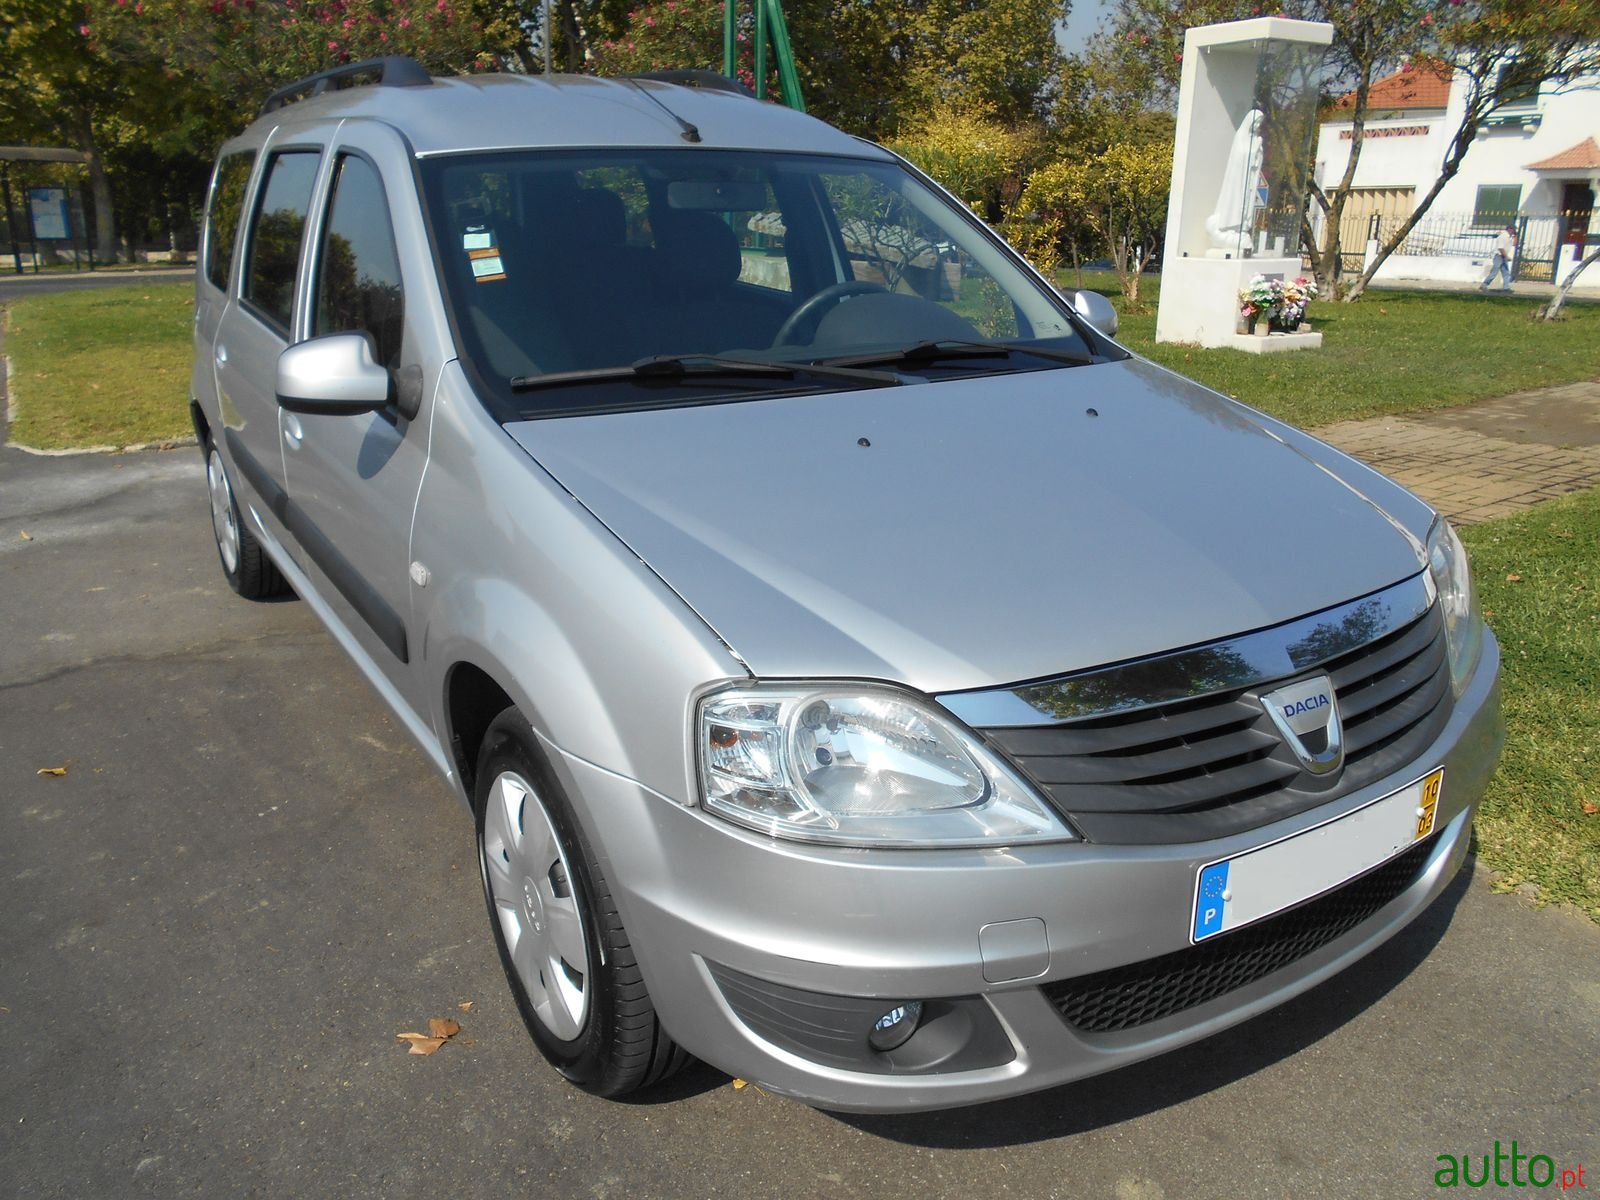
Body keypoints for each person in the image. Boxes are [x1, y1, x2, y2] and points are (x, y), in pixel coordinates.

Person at [1480, 223, 1516, 291]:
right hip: (1498, 256)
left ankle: (1506, 287)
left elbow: (1514, 244)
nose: (1514, 231)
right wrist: (1506, 256)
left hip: (1503, 256)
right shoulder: (1503, 236)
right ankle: (1484, 285)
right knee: (1494, 272)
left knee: (1506, 273)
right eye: (1513, 230)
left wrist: (1516, 236)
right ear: (1510, 229)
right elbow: (1500, 248)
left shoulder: (1509, 237)